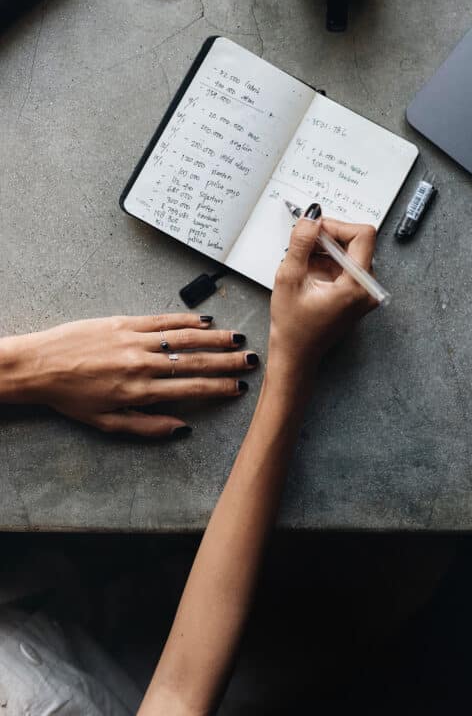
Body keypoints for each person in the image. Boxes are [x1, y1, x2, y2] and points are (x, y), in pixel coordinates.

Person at [0, 208, 378, 714]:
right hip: (126, 676)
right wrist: (293, 359)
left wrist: (27, 367)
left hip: (43, 597)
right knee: (394, 585)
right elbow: (179, 693)